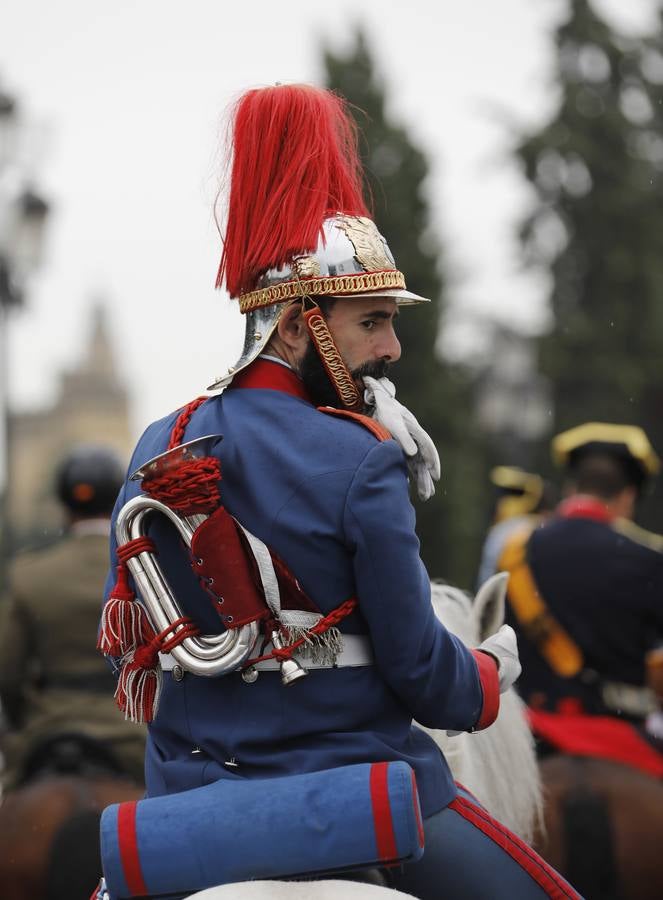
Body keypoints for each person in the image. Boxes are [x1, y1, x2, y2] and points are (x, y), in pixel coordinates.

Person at [99, 84, 577, 899]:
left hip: (190, 804)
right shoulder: (363, 459)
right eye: (372, 322)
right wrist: (489, 670)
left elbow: (134, 643)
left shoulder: (158, 443)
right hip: (360, 794)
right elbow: (423, 673)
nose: (391, 347)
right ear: (295, 327)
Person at [0, 445, 146, 791]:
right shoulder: (146, 570)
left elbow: (6, 670)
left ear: (65, 507)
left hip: (51, 730)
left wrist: (27, 720)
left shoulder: (29, 574)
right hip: (136, 732)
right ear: (118, 500)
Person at [499, 422, 663, 724]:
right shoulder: (648, 559)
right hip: (617, 732)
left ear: (571, 489)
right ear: (627, 497)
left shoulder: (516, 551)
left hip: (528, 730)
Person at [476, 465, 557, 589]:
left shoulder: (504, 531)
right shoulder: (546, 528)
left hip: (508, 598)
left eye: (515, 493)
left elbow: (487, 579)